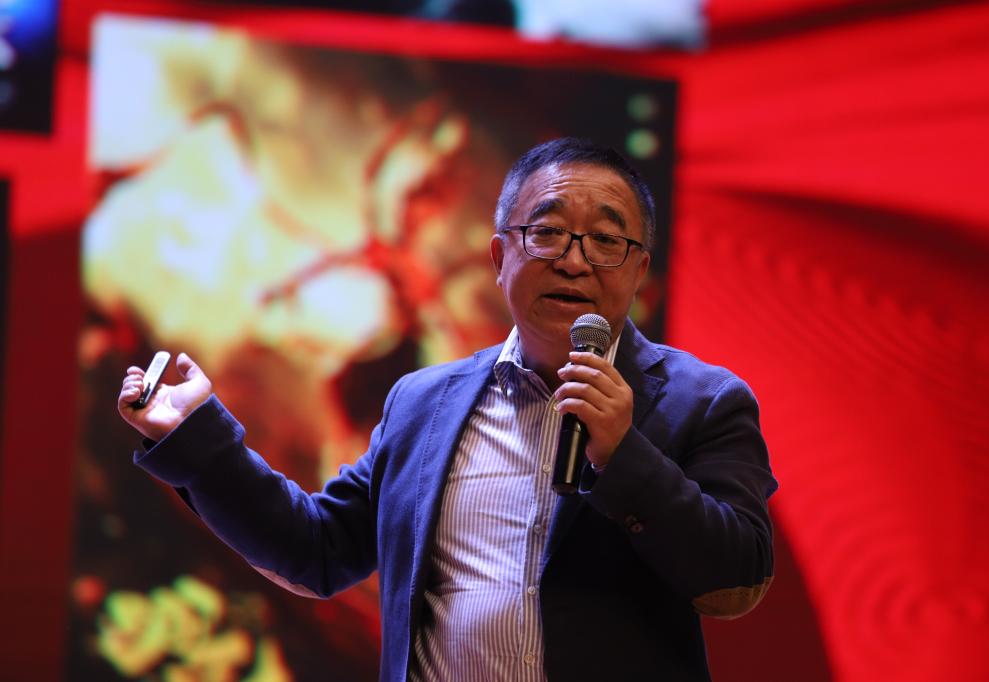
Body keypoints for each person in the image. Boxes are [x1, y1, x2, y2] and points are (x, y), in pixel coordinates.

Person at [118, 138, 778, 681]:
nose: (575, 261)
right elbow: (316, 551)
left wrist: (625, 456)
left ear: (639, 271)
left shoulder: (704, 401)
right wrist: (197, 440)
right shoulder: (422, 403)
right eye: (548, 233)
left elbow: (736, 582)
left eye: (607, 241)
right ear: (499, 256)